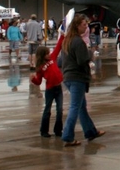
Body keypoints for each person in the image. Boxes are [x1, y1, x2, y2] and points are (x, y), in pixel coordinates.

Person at [60, 14, 104, 147]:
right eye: (84, 25)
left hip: (68, 76)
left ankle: (90, 131)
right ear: (77, 26)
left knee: (81, 107)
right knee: (75, 107)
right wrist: (90, 55)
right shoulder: (78, 41)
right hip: (76, 77)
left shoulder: (67, 40)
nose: (86, 27)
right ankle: (67, 136)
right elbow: (81, 60)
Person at [31, 33, 65, 138]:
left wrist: (62, 36)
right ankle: (44, 131)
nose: (49, 54)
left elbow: (58, 47)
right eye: (46, 53)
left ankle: (58, 130)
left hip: (58, 88)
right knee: (47, 110)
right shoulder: (40, 67)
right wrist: (33, 79)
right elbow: (39, 82)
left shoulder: (53, 58)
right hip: (50, 90)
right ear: (42, 55)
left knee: (60, 110)